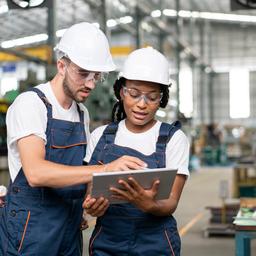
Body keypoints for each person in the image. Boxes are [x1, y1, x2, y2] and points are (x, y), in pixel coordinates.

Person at [0, 22, 146, 256]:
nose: (90, 83)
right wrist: (106, 170)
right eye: (83, 73)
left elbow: (79, 169)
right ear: (61, 65)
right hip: (30, 231)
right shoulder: (31, 104)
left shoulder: (82, 113)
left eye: (96, 75)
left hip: (68, 229)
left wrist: (91, 198)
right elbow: (36, 173)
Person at [83, 47, 190, 256]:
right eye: (134, 94)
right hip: (108, 244)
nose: (142, 105)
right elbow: (89, 192)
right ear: (121, 92)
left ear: (162, 99)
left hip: (156, 244)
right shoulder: (100, 137)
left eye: (152, 97)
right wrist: (92, 207)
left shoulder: (173, 139)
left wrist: (149, 204)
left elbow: (171, 202)